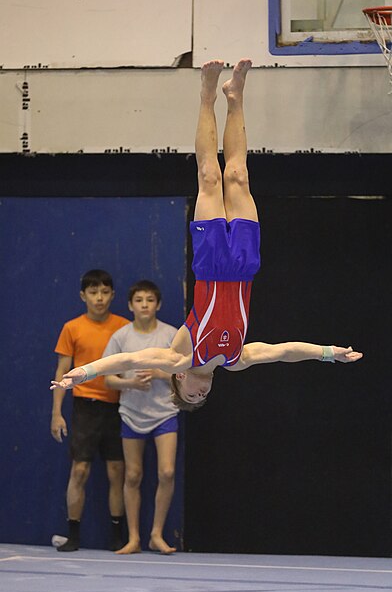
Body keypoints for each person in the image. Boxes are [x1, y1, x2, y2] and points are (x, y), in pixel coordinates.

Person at [51, 59, 363, 411]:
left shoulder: (178, 359)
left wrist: (85, 371)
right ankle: (236, 96)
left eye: (192, 396)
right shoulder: (236, 358)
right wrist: (328, 353)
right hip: (245, 266)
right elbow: (283, 351)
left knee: (210, 177)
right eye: (204, 398)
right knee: (238, 175)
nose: (202, 394)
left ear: (180, 381)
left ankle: (206, 94)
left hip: (212, 264)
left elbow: (130, 361)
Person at [51, 269, 129, 551]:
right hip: (84, 407)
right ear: (83, 296)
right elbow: (62, 370)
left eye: (105, 292)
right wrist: (56, 412)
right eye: (94, 292)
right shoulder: (72, 328)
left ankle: (119, 536)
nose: (100, 298)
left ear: (113, 295)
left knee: (117, 470)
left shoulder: (123, 327)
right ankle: (73, 534)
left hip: (117, 407)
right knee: (80, 470)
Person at [102, 280, 179, 555]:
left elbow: (186, 376)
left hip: (164, 413)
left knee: (167, 471)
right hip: (131, 414)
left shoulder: (172, 336)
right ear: (130, 305)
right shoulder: (121, 338)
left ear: (157, 304)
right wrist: (130, 383)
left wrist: (160, 374)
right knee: (132, 475)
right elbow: (109, 379)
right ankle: (133, 538)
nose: (144, 304)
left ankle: (156, 535)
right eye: (139, 300)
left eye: (149, 300)